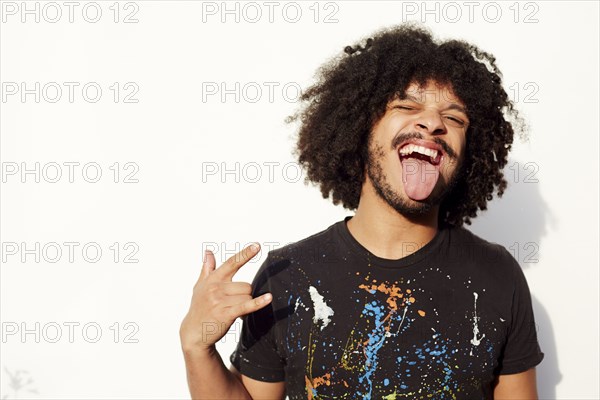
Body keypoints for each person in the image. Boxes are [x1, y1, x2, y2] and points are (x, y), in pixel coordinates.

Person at [179, 23, 544, 399]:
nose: (434, 123)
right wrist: (197, 348)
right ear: (360, 128)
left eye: (454, 119)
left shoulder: (497, 275)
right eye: (406, 106)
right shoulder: (288, 274)